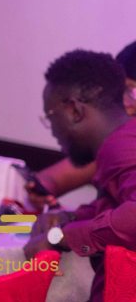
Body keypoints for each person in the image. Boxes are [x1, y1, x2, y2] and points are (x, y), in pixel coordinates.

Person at [22, 49, 136, 302]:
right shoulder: (122, 142)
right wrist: (71, 218)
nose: (52, 130)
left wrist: (60, 237)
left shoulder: (122, 145)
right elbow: (116, 207)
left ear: (74, 110)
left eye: (50, 117)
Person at [26, 41, 136, 209]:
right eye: (121, 92)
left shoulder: (125, 146)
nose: (125, 104)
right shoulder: (116, 143)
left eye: (132, 92)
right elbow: (49, 181)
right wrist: (66, 216)